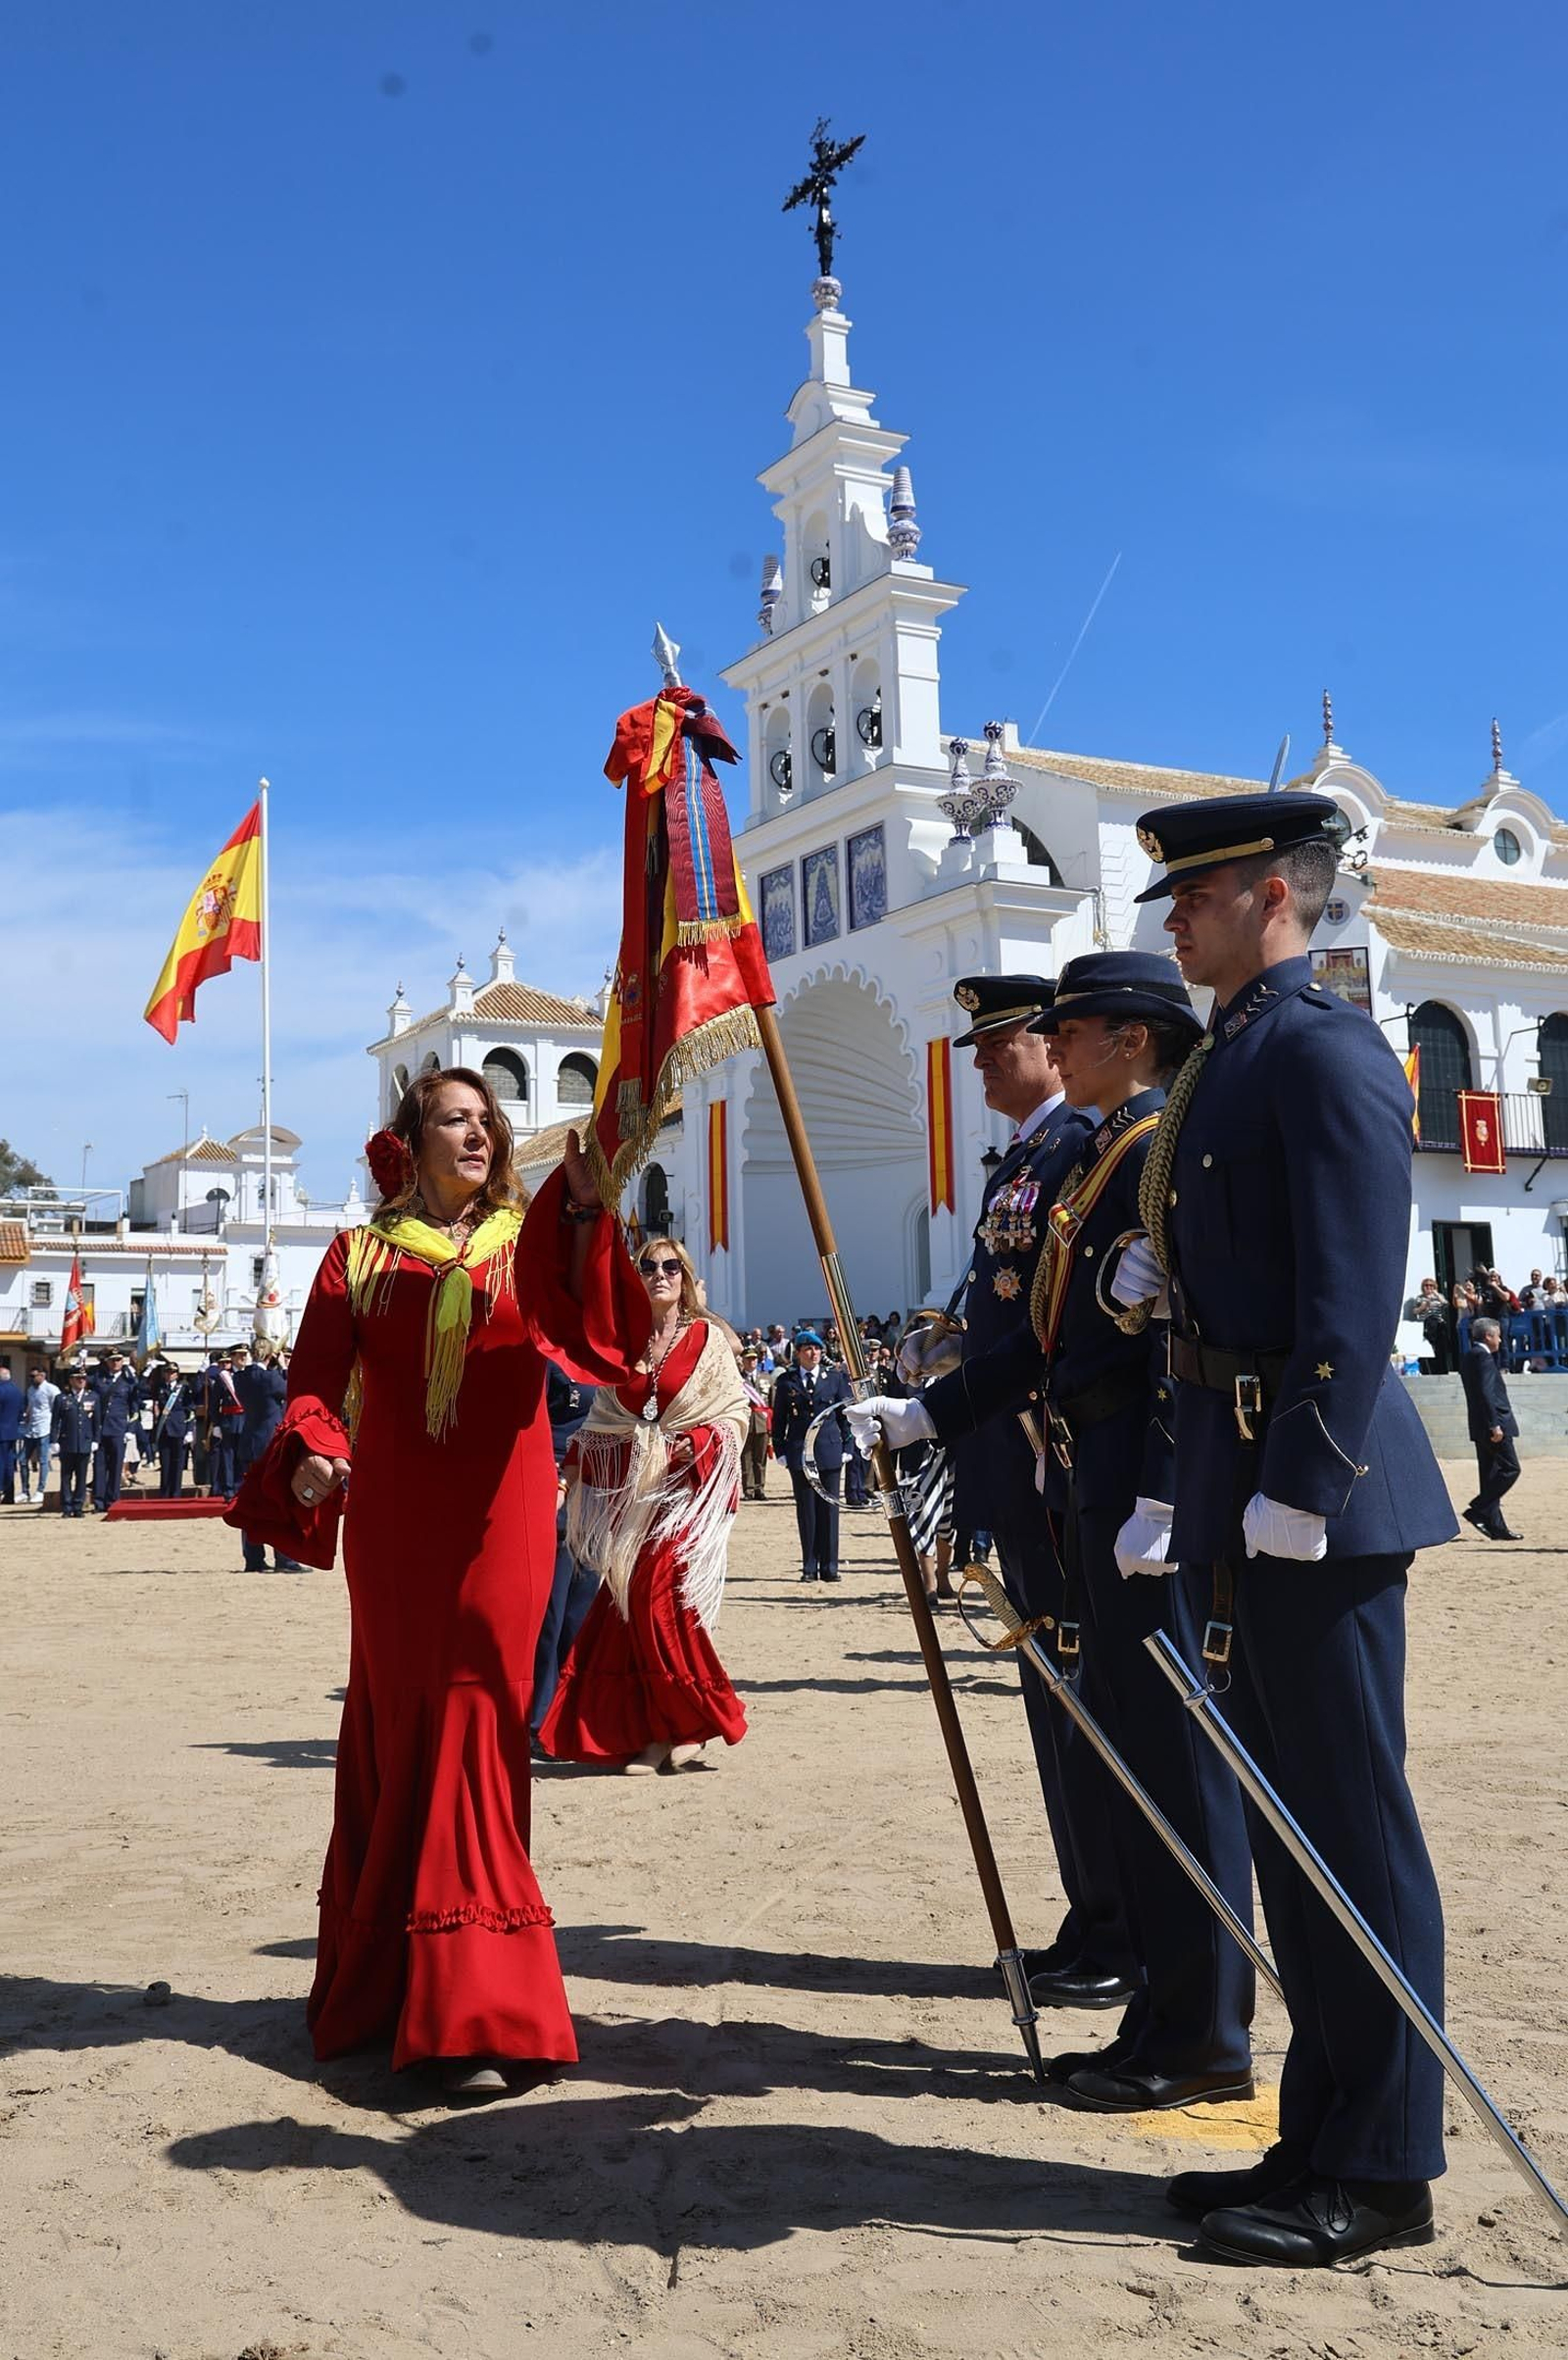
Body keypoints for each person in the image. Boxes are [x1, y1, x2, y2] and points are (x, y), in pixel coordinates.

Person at [1108, 790, 1456, 2266]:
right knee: (1296, 1830)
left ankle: (1383, 2168)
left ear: (1265, 894)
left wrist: (1301, 1484)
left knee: (1353, 1830)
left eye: (1189, 898)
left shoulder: (1318, 1047)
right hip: (1240, 1482)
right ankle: (1320, 2128)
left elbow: (1351, 1295)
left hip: (1313, 1487)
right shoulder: (1237, 1057)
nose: (1170, 923)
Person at [853, 952, 1255, 2109]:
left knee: (1172, 1765)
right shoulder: (1096, 1155)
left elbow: (1180, 1331)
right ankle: (1169, 2013)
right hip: (1086, 1471)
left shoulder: (1142, 1152)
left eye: (1067, 1028)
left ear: (1129, 1038)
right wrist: (928, 1406)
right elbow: (1038, 1334)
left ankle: (1196, 2024)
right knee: (1130, 1757)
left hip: (1134, 1482)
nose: (1049, 1045)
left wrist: (1171, 1488)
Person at [226, 1066, 647, 2097]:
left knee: (480, 1725)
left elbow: (604, 1336)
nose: (478, 1131)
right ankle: (394, 1983)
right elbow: (315, 1384)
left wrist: (590, 1212)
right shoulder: (356, 1256)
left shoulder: (527, 1244)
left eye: (486, 1119)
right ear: (408, 1142)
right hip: (395, 1529)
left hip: (504, 1526)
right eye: (454, 1118)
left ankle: (476, 2002)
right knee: (397, 1721)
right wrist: (318, 1448)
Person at [902, 971, 1132, 2010]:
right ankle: (1094, 1915)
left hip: (1052, 1458)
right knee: (1052, 1704)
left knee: (1085, 1706)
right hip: (1010, 1455)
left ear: (1054, 1044)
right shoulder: (1025, 1158)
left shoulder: (1077, 1148)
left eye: (1004, 1042)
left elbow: (1044, 1325)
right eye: (980, 1046)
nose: (986, 1059)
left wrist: (946, 1401)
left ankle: (1120, 1925)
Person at [539, 1236, 749, 1774]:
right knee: (626, 1604)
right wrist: (575, 1467)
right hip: (634, 1501)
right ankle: (658, 1733)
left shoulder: (706, 1340)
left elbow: (734, 1414)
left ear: (686, 1277)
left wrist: (699, 1443)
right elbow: (604, 1418)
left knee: (661, 1597)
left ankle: (695, 1719)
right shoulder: (624, 1344)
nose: (660, 1274)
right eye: (649, 1266)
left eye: (671, 1267)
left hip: (684, 1497)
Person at [529, 1360, 601, 1740]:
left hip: (599, 1488)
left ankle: (572, 1712)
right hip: (556, 1485)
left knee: (581, 1613)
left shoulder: (607, 1352)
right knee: (551, 1616)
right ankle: (539, 1718)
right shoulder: (548, 1355)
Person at [770, 1332, 853, 1583]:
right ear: (798, 1353)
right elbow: (779, 1419)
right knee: (806, 1511)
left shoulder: (835, 1379)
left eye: (817, 1349)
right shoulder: (787, 1381)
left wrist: (848, 1446)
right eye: (807, 1349)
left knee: (829, 1510)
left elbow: (845, 1415)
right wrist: (781, 1450)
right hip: (799, 1452)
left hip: (829, 1450)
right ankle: (809, 1566)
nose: (813, 1353)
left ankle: (830, 1567)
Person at [233, 1342, 302, 1571]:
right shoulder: (271, 1378)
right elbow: (291, 1390)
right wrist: (283, 1368)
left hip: (250, 1442)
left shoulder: (240, 1378)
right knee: (279, 1501)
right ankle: (284, 1558)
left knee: (252, 1502)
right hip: (270, 1444)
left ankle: (253, 1559)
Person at [1458, 1315, 1521, 1540]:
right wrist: (1494, 1424)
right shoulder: (1483, 1357)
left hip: (1479, 1425)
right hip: (1494, 1425)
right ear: (1488, 1336)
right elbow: (1486, 1393)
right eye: (1498, 1335)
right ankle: (1478, 1509)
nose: (1501, 1340)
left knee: (1490, 1474)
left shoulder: (1469, 1356)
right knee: (1511, 1469)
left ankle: (1496, 1526)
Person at [89, 1349, 141, 1511]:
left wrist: (131, 1429)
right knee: (99, 1466)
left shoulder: (129, 1382)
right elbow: (86, 1381)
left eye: (118, 1360)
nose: (115, 1363)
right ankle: (98, 1501)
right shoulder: (100, 1378)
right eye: (112, 1360)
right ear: (107, 1362)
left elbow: (134, 1407)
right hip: (100, 1428)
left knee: (116, 1466)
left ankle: (112, 1500)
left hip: (118, 1428)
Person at [51, 1365, 98, 1516]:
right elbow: (55, 1422)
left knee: (82, 1476)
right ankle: (66, 1506)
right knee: (66, 1476)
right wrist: (54, 1441)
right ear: (71, 1380)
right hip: (67, 1442)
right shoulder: (62, 1398)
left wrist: (95, 1440)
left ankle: (78, 1506)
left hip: (84, 1442)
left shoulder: (93, 1397)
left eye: (83, 1378)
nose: (81, 1381)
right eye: (78, 1378)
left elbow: (97, 1422)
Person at [201, 1351, 244, 1498]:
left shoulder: (247, 1375)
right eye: (239, 1356)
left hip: (244, 1421)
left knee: (242, 1457)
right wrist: (217, 1424)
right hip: (228, 1420)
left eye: (244, 1355)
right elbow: (214, 1404)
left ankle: (240, 1488)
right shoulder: (223, 1378)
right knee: (227, 1457)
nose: (242, 1358)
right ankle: (229, 1489)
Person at [151, 1362, 194, 1498]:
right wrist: (148, 1370)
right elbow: (141, 1388)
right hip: (164, 1429)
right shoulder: (159, 1387)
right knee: (165, 1463)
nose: (170, 1375)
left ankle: (176, 1493)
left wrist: (189, 1430)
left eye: (173, 1372)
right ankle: (164, 1493)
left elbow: (190, 1410)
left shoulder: (184, 1389)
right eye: (168, 1372)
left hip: (179, 1428)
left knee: (178, 1463)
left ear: (177, 1374)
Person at [20, 1365, 59, 1504]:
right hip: (31, 1429)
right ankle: (25, 1490)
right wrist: (26, 1418)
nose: (32, 1379)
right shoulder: (30, 1390)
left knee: (43, 1460)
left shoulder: (51, 1390)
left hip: (45, 1429)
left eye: (34, 1376)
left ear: (42, 1375)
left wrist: (56, 1430)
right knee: (23, 1460)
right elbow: (31, 1406)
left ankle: (40, 1490)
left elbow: (57, 1410)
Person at [738, 1348, 773, 1500]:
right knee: (746, 1459)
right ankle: (748, 1490)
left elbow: (771, 1401)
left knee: (760, 1459)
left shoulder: (766, 1378)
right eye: (748, 1359)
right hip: (745, 1422)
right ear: (743, 1361)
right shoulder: (737, 1379)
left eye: (754, 1359)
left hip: (762, 1422)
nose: (751, 1362)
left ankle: (760, 1488)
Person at [0, 1358, 23, 1504]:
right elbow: (21, 1411)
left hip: (1, 1431)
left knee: (2, 1463)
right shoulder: (17, 1391)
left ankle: (3, 1488)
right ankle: (9, 1494)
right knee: (9, 1463)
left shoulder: (1, 1390)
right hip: (12, 1431)